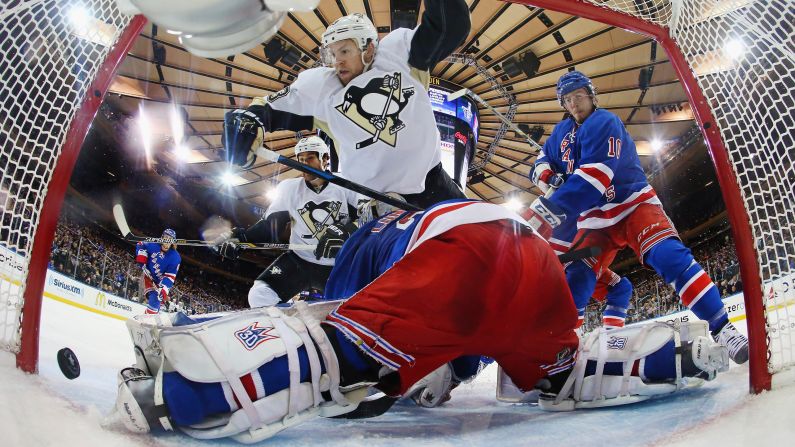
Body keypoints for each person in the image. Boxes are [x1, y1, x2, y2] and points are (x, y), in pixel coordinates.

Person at [113, 200, 729, 443]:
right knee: (566, 375)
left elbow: (342, 336)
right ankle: (678, 356)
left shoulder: (362, 242)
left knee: (331, 359)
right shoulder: (419, 220)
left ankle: (176, 393)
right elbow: (470, 337)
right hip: (534, 258)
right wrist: (446, 366)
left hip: (466, 257)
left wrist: (398, 374)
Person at [523, 70, 749, 363]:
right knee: (577, 277)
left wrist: (549, 209)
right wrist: (551, 179)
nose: (574, 103)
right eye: (568, 99)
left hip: (631, 204)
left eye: (578, 96)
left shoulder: (605, 122)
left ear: (591, 95)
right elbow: (538, 165)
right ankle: (567, 348)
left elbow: (594, 179)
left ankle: (723, 328)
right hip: (594, 220)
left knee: (668, 257)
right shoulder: (560, 134)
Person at [222, 1, 470, 208]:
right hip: (374, 203)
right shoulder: (320, 88)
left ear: (369, 47)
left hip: (434, 184)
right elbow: (264, 110)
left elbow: (451, 25)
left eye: (344, 51)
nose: (337, 62)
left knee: (481, 239)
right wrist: (244, 122)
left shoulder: (399, 54)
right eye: (332, 54)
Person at [217, 136, 363, 307]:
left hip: (337, 266)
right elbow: (271, 228)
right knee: (260, 295)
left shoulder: (345, 185)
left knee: (357, 306)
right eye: (300, 160)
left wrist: (348, 230)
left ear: (325, 158)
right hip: (298, 261)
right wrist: (241, 239)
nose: (304, 164)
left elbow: (368, 222)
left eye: (310, 158)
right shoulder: (289, 188)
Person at [135, 229, 181, 314]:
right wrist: (142, 259)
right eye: (165, 238)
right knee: (155, 299)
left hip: (160, 282)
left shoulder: (175, 257)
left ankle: (151, 319)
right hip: (148, 276)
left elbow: (170, 276)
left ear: (173, 243)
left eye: (169, 240)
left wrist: (163, 288)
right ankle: (148, 320)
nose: (166, 242)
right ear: (161, 238)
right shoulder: (153, 244)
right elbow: (140, 244)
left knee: (157, 300)